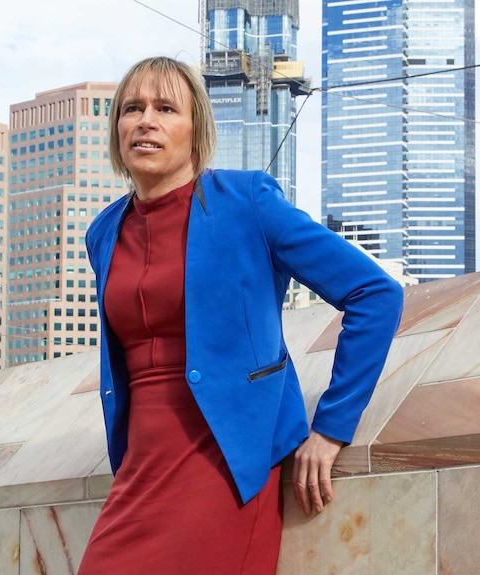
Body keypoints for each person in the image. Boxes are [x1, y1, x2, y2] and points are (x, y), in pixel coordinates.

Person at [78, 56, 403, 575]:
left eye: (166, 108)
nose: (146, 121)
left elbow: (375, 293)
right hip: (139, 467)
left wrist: (333, 427)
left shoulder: (247, 202)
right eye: (132, 109)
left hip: (227, 464)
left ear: (196, 129)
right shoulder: (104, 232)